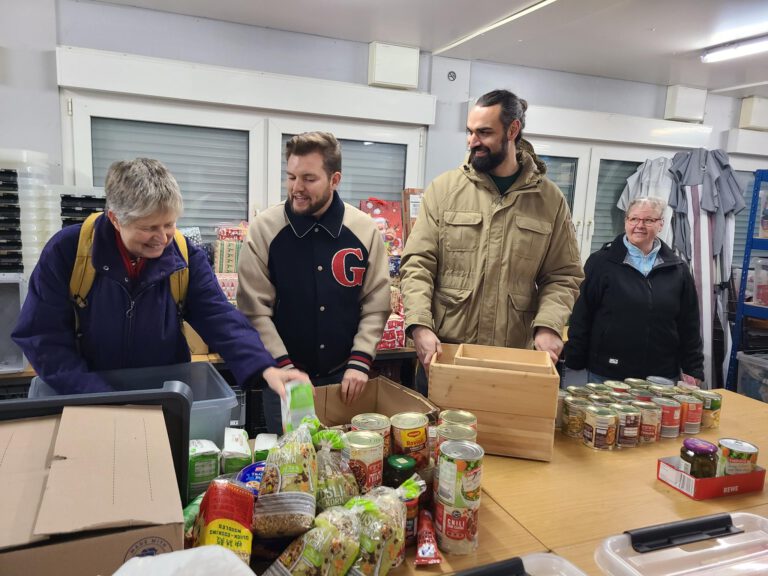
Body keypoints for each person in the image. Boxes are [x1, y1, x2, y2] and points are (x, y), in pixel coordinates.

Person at [12, 158, 306, 400]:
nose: (163, 237)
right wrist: (100, 398)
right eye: (149, 227)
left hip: (161, 395)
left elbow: (218, 316)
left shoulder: (183, 255)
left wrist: (265, 367)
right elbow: (43, 338)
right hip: (85, 396)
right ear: (115, 218)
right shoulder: (68, 252)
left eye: (170, 224)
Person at [400, 89, 584, 393]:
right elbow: (417, 264)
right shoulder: (444, 190)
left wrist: (549, 326)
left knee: (504, 439)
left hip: (513, 359)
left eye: (484, 132)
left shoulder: (549, 200)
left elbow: (563, 275)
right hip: (447, 355)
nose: (473, 141)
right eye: (470, 132)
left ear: (513, 130)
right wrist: (419, 325)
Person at [237, 132, 390, 433]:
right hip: (284, 380)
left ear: (335, 179)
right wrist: (284, 366)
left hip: (344, 381)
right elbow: (255, 311)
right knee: (288, 470)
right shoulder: (264, 230)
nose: (296, 188)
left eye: (308, 178)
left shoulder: (364, 230)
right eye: (291, 176)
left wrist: (360, 361)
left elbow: (376, 303)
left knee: (342, 469)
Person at [564, 197, 704, 384]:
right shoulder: (601, 262)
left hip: (661, 376)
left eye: (648, 220)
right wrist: (575, 360)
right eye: (634, 219)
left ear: (661, 224)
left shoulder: (678, 268)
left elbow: (689, 324)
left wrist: (693, 368)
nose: (640, 225)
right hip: (608, 372)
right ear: (626, 222)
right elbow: (582, 314)